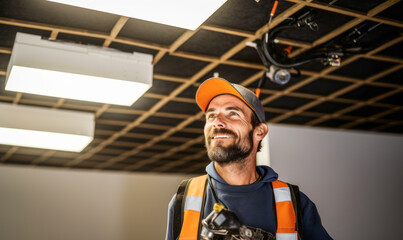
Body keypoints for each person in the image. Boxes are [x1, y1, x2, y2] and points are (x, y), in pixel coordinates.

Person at [165, 77, 333, 240]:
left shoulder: (294, 203)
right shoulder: (184, 200)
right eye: (211, 115)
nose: (217, 122)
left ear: (259, 132)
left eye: (232, 113)